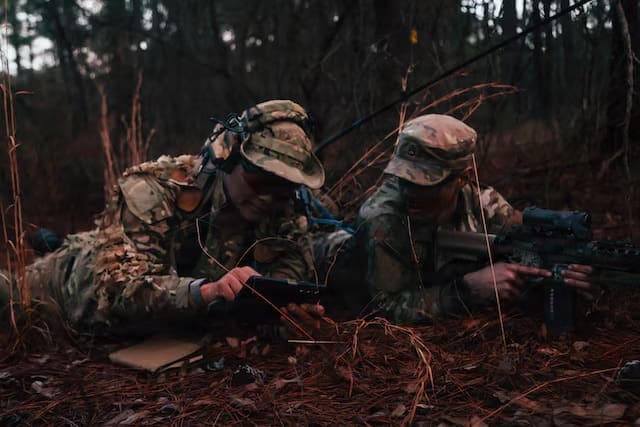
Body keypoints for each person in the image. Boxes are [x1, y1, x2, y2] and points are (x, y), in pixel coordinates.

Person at [1, 100, 326, 334]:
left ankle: (49, 241)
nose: (269, 198)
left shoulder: (286, 212)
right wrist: (208, 291)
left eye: (284, 187)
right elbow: (119, 290)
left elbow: (288, 276)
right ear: (227, 158)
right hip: (69, 283)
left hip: (158, 328)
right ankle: (50, 247)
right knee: (9, 297)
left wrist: (287, 315)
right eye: (260, 180)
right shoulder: (153, 188)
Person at [314, 114, 598, 324]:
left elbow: (522, 253)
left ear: (463, 178)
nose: (410, 192)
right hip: (327, 264)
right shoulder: (381, 219)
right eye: (404, 179)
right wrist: (467, 291)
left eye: (426, 183)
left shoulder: (485, 205)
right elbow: (385, 309)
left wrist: (558, 273)